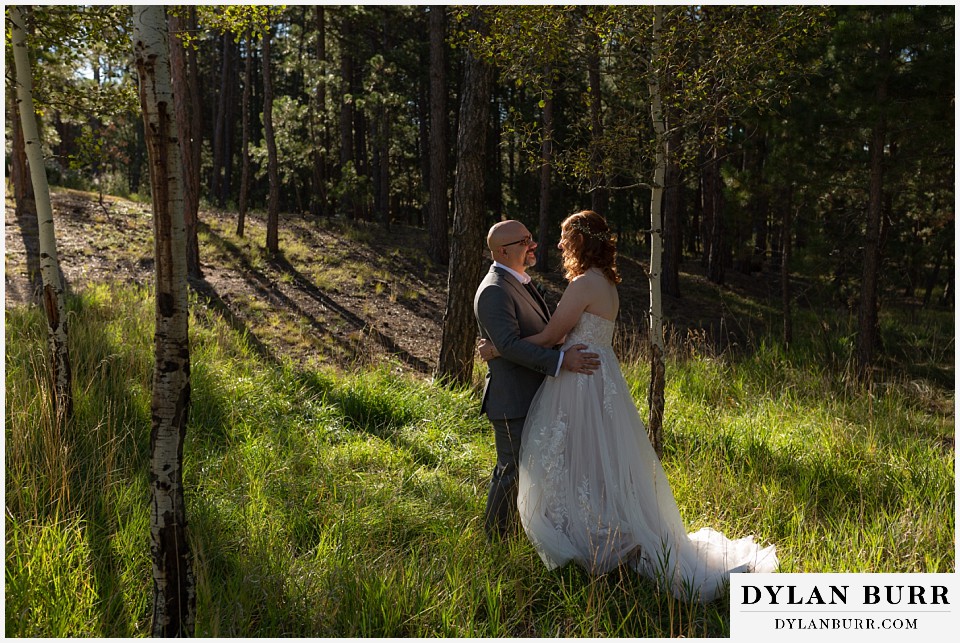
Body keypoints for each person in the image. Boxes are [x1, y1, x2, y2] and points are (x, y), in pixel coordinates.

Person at [478, 211, 777, 602]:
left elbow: (552, 334)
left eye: (565, 236)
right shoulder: (603, 282)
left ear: (582, 242)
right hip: (597, 380)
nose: (557, 243)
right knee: (592, 461)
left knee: (576, 461)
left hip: (580, 382)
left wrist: (498, 348)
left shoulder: (584, 283)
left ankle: (590, 538)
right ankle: (590, 531)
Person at [473, 219, 601, 540]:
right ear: (503, 251)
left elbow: (537, 332)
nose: (533, 244)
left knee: (533, 471)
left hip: (534, 393)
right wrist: (561, 360)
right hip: (512, 399)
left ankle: (528, 534)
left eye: (531, 237)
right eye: (524, 241)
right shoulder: (493, 290)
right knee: (511, 471)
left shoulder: (523, 281)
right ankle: (495, 540)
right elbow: (511, 346)